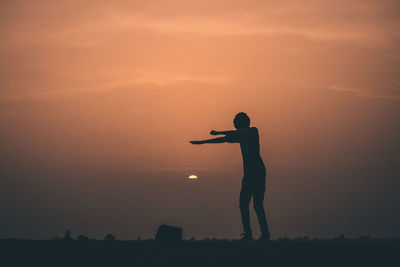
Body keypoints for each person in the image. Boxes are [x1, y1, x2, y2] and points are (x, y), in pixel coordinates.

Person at [190, 112, 270, 242]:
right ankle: (248, 234)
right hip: (248, 174)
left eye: (235, 121)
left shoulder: (253, 131)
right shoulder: (241, 136)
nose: (233, 124)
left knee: (257, 205)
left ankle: (265, 234)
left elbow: (235, 134)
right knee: (243, 204)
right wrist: (203, 142)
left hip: (257, 173)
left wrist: (218, 132)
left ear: (242, 122)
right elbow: (225, 139)